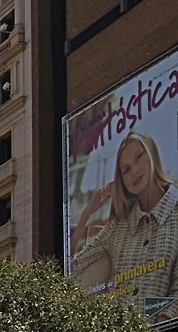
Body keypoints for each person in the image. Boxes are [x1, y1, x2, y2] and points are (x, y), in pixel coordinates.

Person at [71, 132, 178, 318]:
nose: (135, 171)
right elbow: (72, 268)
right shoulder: (118, 227)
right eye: (126, 170)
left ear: (152, 153)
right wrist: (87, 213)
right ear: (121, 181)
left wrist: (158, 326)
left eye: (139, 157)